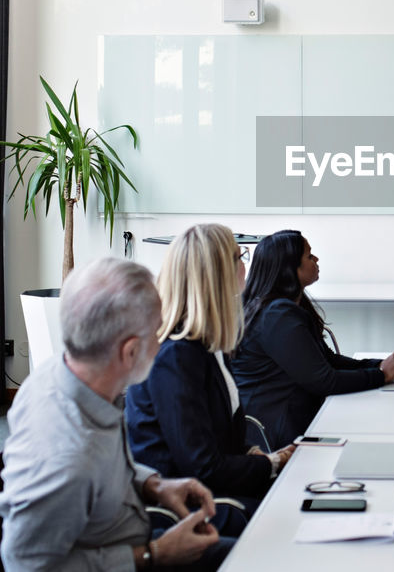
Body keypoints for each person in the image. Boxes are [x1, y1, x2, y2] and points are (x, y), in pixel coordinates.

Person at [0, 257, 232, 571]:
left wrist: (153, 485)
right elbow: (28, 567)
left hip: (134, 531)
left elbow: (106, 462)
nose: (163, 345)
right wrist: (154, 554)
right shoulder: (68, 459)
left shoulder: (65, 372)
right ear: (130, 351)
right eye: (158, 333)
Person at [126, 224, 295, 537]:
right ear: (220, 272)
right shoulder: (175, 356)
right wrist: (271, 463)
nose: (246, 263)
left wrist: (251, 453)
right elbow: (200, 467)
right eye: (240, 255)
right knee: (290, 516)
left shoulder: (204, 346)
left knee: (301, 499)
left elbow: (210, 437)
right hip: (185, 505)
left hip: (211, 489)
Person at [231, 229, 394, 446]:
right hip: (279, 435)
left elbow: (327, 359)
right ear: (291, 268)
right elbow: (324, 380)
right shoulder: (276, 315)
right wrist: (381, 375)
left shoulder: (284, 306)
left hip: (294, 419)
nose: (316, 259)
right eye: (309, 256)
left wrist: (381, 365)